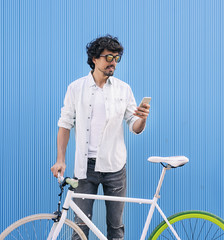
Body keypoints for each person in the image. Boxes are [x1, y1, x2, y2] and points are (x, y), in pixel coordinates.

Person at [50, 35, 150, 240]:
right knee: (80, 228)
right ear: (94, 59)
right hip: (84, 169)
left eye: (117, 58)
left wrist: (142, 118)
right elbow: (64, 124)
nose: (113, 62)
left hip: (115, 168)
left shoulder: (124, 89)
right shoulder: (76, 88)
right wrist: (61, 159)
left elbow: (135, 127)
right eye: (109, 57)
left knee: (116, 228)